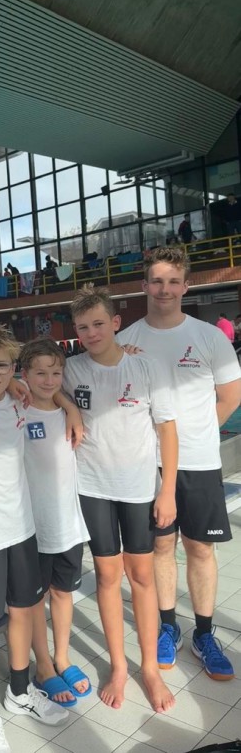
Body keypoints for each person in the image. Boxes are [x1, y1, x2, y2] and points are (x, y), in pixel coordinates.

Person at [119, 247, 241, 680]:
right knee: (161, 546)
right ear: (144, 285)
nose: (164, 289)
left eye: (173, 281)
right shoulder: (125, 340)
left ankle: (204, 633)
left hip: (199, 462)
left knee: (200, 548)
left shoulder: (209, 337)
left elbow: (230, 396)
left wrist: (198, 435)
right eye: (157, 281)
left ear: (186, 287)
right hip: (147, 464)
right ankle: (168, 626)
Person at [64, 285, 178, 713]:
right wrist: (69, 408)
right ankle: (117, 666)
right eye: (83, 327)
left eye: (98, 324)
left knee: (142, 576)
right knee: (108, 577)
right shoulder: (71, 368)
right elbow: (38, 384)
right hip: (93, 486)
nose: (91, 333)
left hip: (138, 489)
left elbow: (167, 431)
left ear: (115, 323)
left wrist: (167, 490)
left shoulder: (146, 366)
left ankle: (148, 667)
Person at [0, 325, 68, 753]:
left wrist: (69, 408)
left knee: (24, 611)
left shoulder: (20, 401)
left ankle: (19, 692)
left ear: (13, 369)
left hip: (22, 528)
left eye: (2, 366)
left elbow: (53, 395)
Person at [19, 337, 91, 707]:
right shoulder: (17, 412)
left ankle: (62, 656)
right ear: (25, 375)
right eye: (40, 373)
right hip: (34, 526)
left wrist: (69, 405)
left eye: (55, 373)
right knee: (35, 600)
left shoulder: (67, 412)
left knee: (63, 593)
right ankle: (44, 664)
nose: (49, 380)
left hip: (68, 524)